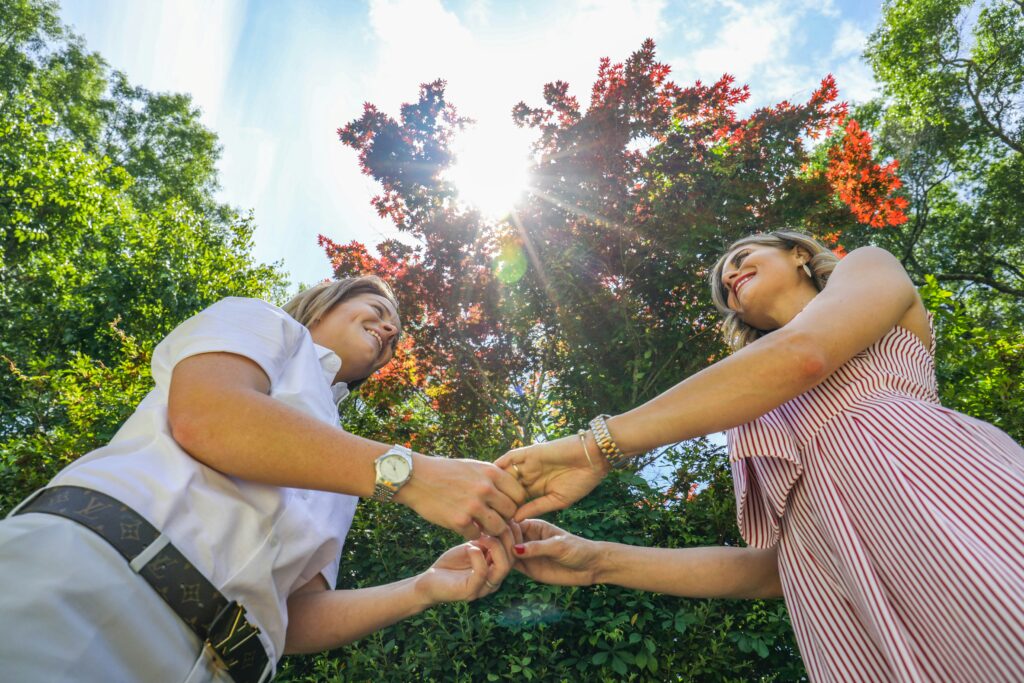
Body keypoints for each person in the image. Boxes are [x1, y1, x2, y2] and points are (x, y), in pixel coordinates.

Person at [498, 231, 1024, 680]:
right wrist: (596, 561)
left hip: (956, 504)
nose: (729, 275)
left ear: (798, 253)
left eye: (741, 256)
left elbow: (804, 355)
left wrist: (594, 448)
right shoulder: (751, 413)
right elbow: (790, 562)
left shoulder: (868, 265)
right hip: (850, 619)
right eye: (724, 280)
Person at [0, 275, 520, 682]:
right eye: (379, 312)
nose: (388, 332)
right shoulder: (263, 323)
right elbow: (208, 417)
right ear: (326, 301)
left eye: (394, 336)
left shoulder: (348, 460)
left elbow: (293, 616)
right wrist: (409, 475)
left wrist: (425, 587)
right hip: (93, 583)